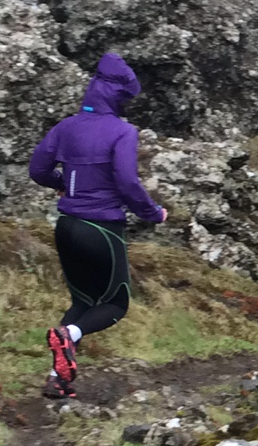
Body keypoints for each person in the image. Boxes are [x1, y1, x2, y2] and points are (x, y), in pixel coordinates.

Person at [26, 52, 169, 399]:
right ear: (119, 95)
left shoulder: (66, 127)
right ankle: (69, 338)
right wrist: (153, 213)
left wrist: (61, 182)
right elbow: (127, 181)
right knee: (115, 305)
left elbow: (37, 170)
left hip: (66, 227)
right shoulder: (123, 131)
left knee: (82, 301)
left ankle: (56, 379)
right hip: (101, 230)